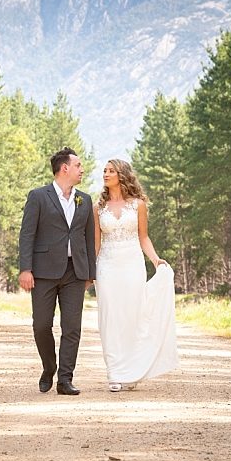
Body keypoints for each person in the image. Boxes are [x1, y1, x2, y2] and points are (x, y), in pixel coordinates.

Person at [93, 159, 178, 392]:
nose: (106, 174)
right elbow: (96, 244)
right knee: (110, 318)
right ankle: (115, 373)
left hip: (132, 265)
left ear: (122, 175)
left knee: (132, 316)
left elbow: (143, 237)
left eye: (111, 171)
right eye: (104, 171)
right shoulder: (97, 208)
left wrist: (156, 260)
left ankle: (131, 370)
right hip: (107, 267)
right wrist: (89, 273)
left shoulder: (138, 205)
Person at [18, 147, 97, 396]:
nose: (82, 169)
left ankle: (65, 379)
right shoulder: (38, 196)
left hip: (75, 272)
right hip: (43, 272)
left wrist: (90, 273)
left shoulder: (84, 199)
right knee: (41, 325)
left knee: (72, 327)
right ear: (65, 168)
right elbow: (27, 234)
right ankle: (49, 367)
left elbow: (88, 239)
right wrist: (25, 269)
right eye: (78, 165)